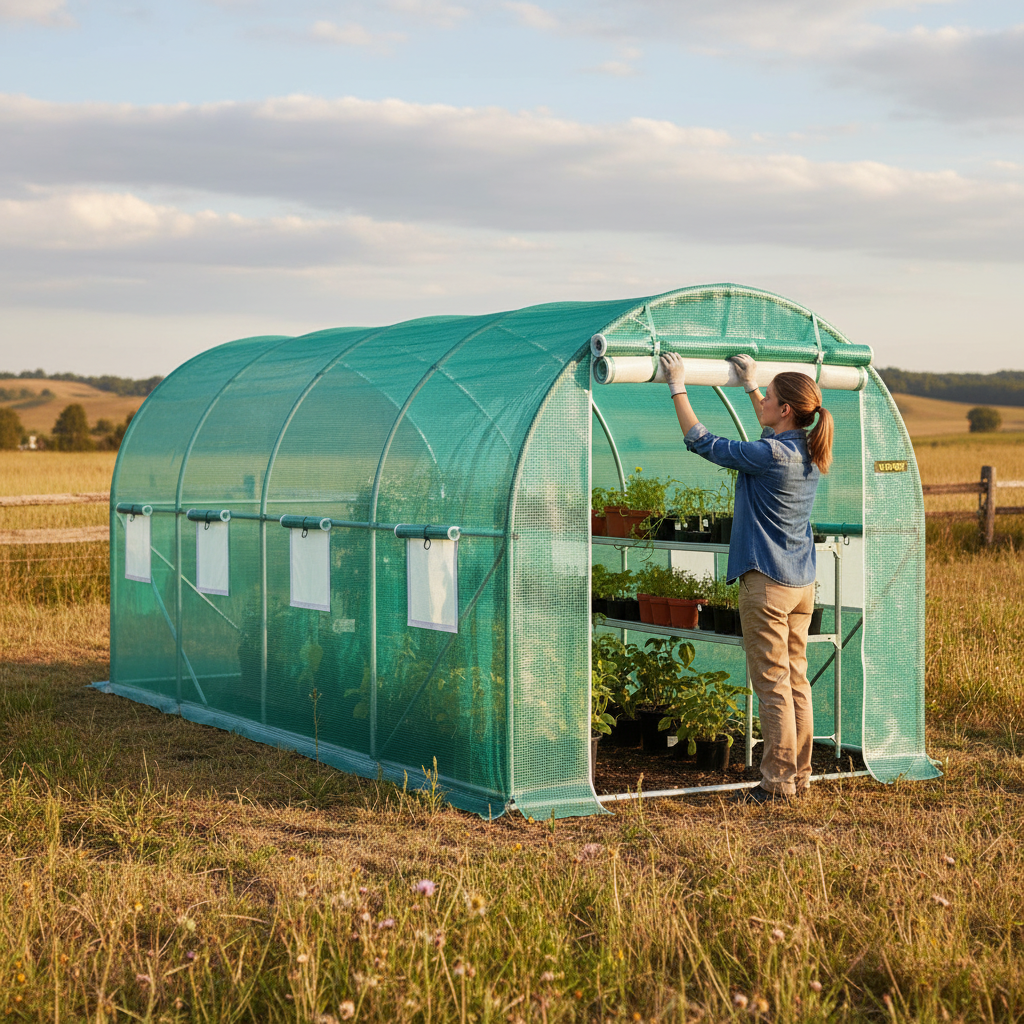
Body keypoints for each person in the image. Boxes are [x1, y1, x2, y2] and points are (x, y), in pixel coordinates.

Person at [659, 351, 835, 804]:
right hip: (801, 586)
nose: (763, 403)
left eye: (769, 398)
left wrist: (677, 383)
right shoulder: (808, 451)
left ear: (786, 410)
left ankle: (776, 785)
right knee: (796, 681)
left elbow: (702, 441)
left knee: (773, 684)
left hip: (768, 584)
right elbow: (766, 419)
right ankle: (799, 777)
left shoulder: (770, 454)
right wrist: (752, 382)